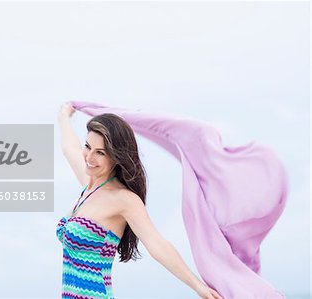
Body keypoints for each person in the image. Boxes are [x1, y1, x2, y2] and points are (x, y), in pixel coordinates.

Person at [56, 102, 223, 299]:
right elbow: (69, 148)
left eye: (100, 152)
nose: (89, 157)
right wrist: (64, 115)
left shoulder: (124, 199)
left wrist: (198, 287)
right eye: (88, 146)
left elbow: (157, 244)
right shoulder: (90, 186)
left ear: (116, 157)